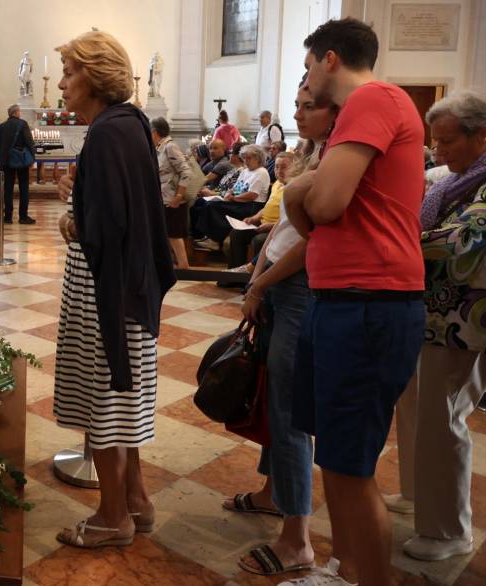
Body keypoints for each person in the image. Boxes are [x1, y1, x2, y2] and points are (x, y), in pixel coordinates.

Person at [283, 18, 426, 586]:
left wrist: (299, 190)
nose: (307, 78)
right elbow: (312, 208)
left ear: (330, 59)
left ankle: (371, 580)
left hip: (369, 302)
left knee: (352, 463)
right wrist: (300, 192)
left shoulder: (372, 98)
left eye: (308, 66)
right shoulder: (365, 108)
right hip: (341, 299)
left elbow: (325, 204)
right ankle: (344, 571)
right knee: (335, 458)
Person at [52, 30, 175, 550]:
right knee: (121, 401)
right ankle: (138, 500)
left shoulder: (106, 133)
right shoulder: (130, 124)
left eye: (69, 73)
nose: (61, 84)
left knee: (104, 400)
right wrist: (81, 198)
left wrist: (71, 219)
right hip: (127, 286)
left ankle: (110, 517)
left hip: (106, 289)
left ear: (95, 77)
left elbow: (105, 228)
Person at [222, 83, 339, 580]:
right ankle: (274, 494)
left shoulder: (341, 161)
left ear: (336, 111)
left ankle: (298, 540)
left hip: (298, 292)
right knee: (273, 397)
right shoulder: (311, 151)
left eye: (307, 105)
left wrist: (262, 283)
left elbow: (315, 244)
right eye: (297, 103)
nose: (296, 112)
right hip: (274, 287)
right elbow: (284, 226)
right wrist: (256, 274)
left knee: (289, 413)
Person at [390, 91, 486, 563]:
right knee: (413, 404)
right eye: (435, 140)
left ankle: (449, 529)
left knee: (444, 416)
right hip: (429, 312)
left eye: (448, 141)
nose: (437, 150)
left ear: (481, 136)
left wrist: (395, 236)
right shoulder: (455, 179)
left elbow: (465, 241)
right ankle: (414, 492)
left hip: (464, 321)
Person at [227, 151, 300, 271]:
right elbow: (267, 207)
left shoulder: (294, 187)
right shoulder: (277, 184)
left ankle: (256, 278)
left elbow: (291, 219)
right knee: (237, 233)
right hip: (262, 224)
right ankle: (234, 275)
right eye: (276, 167)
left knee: (259, 240)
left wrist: (269, 226)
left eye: (284, 167)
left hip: (277, 229)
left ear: (295, 168)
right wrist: (254, 218)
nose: (279, 171)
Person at [193, 144, 270, 252]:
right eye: (244, 158)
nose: (246, 161)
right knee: (207, 204)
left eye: (249, 158)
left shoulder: (261, 172)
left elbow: (252, 195)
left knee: (213, 207)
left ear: (258, 159)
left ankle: (215, 241)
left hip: (251, 206)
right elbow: (236, 187)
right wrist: (229, 193)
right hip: (239, 201)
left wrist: (233, 198)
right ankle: (209, 236)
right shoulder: (245, 171)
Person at [151, 117, 191, 270]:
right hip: (164, 198)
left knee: (174, 234)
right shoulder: (160, 148)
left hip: (173, 199)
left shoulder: (170, 147)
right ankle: (170, 263)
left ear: (155, 132)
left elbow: (185, 171)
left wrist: (179, 196)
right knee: (166, 233)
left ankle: (183, 265)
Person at [0, 104, 36, 224]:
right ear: (16, 112)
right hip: (20, 160)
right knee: (24, 187)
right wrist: (32, 158)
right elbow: (29, 141)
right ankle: (23, 216)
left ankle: (8, 216)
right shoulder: (22, 124)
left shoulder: (1, 126)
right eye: (19, 111)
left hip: (5, 161)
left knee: (7, 188)